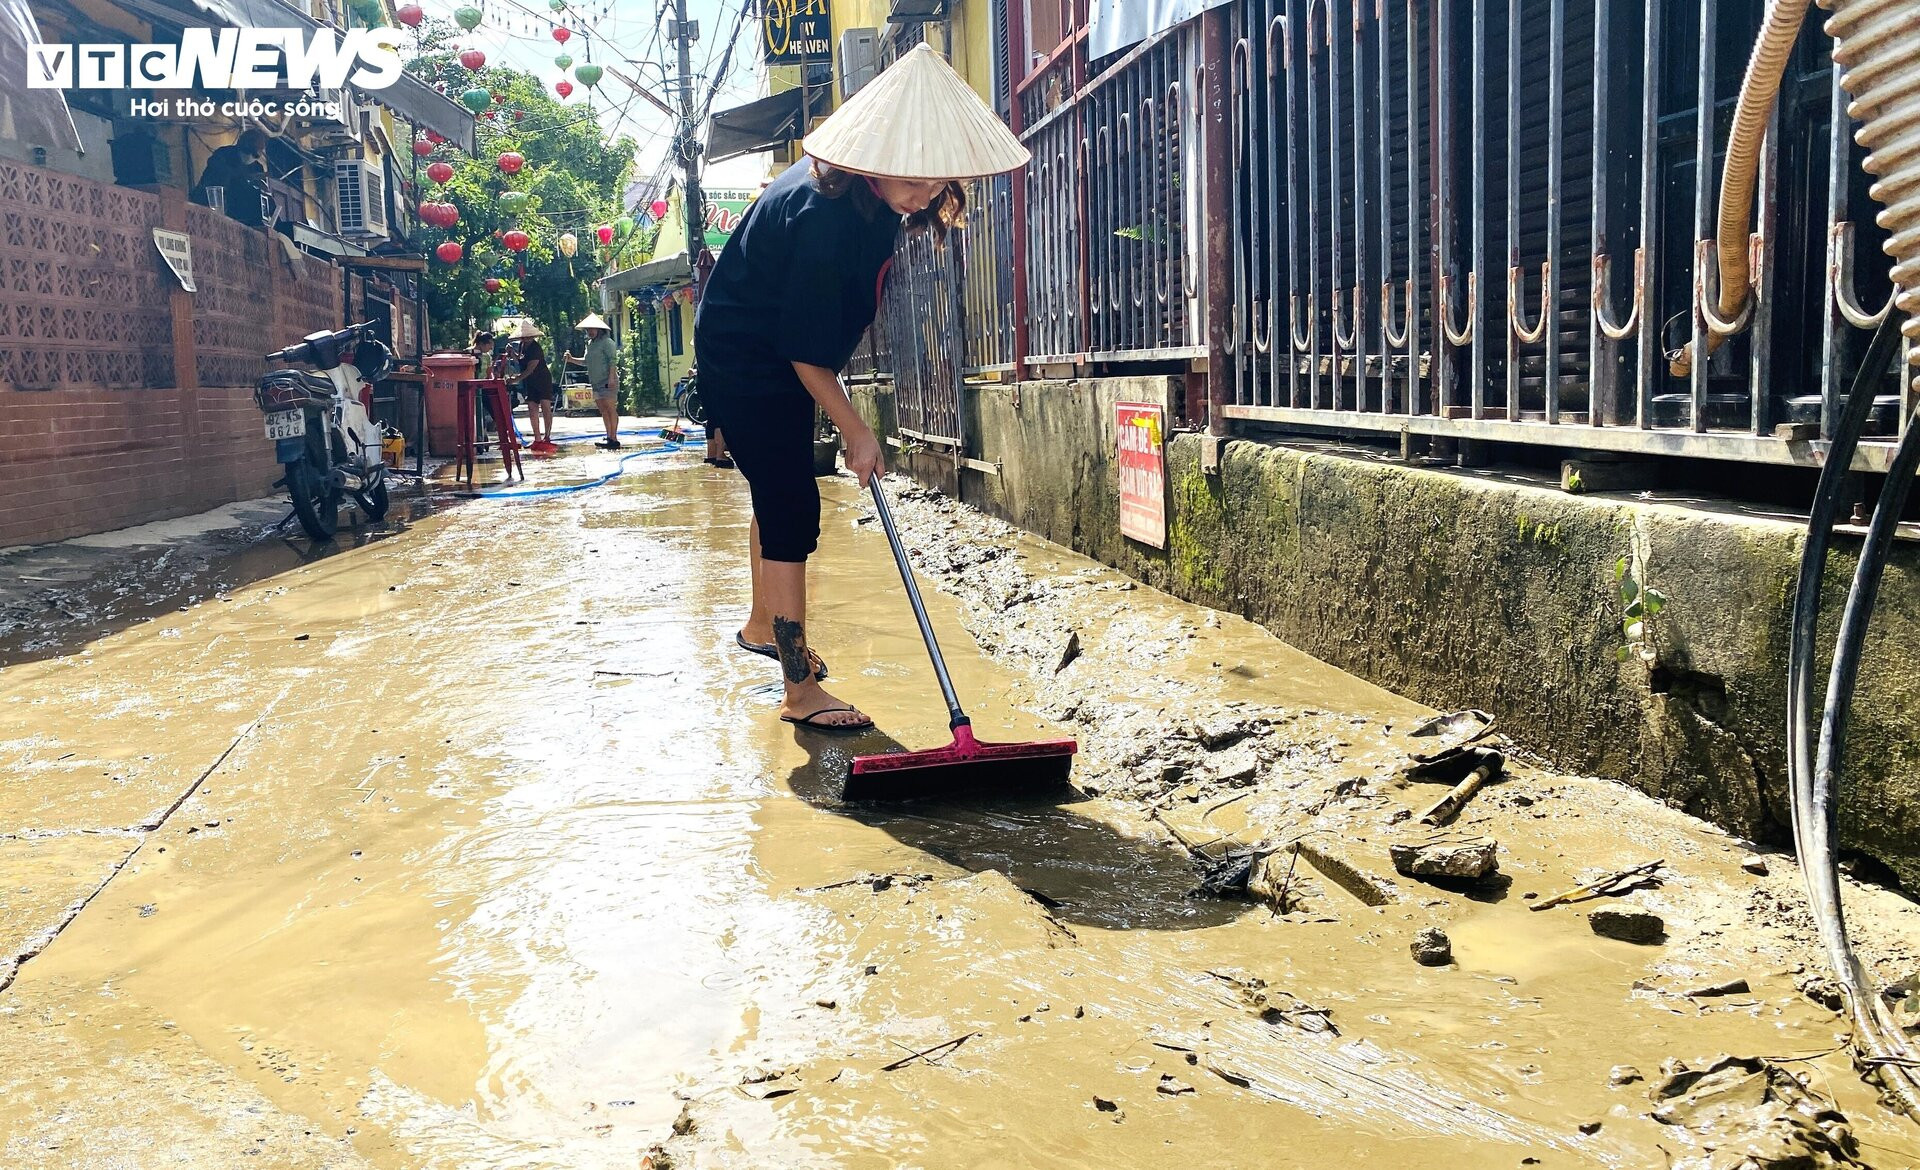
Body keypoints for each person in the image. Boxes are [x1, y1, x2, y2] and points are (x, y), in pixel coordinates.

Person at [693, 44, 1028, 731]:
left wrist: (846, 418)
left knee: (778, 489)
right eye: (915, 176)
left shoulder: (866, 199)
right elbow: (804, 351)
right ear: (875, 152)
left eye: (938, 178)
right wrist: (857, 429)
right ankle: (799, 691)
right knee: (791, 505)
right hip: (749, 358)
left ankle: (762, 624)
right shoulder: (827, 216)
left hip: (768, 350)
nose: (927, 193)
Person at [192, 128, 268, 227]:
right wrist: (245, 179)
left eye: (255, 155)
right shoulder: (223, 155)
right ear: (240, 146)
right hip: (210, 210)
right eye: (246, 151)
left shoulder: (257, 168)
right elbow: (216, 184)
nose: (249, 157)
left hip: (241, 218)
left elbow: (259, 197)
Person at [566, 313, 621, 448]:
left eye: (592, 329)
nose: (590, 331)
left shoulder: (607, 342)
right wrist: (571, 359)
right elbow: (586, 362)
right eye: (588, 329)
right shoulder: (590, 344)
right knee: (603, 410)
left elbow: (612, 361)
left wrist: (611, 378)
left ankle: (614, 438)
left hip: (607, 381)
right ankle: (608, 436)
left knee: (610, 408)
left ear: (599, 329)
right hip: (595, 382)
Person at [506, 321, 556, 451]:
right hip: (530, 381)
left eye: (528, 337)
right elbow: (521, 361)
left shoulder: (535, 348)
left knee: (545, 407)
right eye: (524, 337)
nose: (526, 339)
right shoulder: (522, 345)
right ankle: (537, 438)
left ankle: (547, 436)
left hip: (542, 379)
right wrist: (512, 353)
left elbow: (529, 369)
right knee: (532, 408)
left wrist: (516, 379)